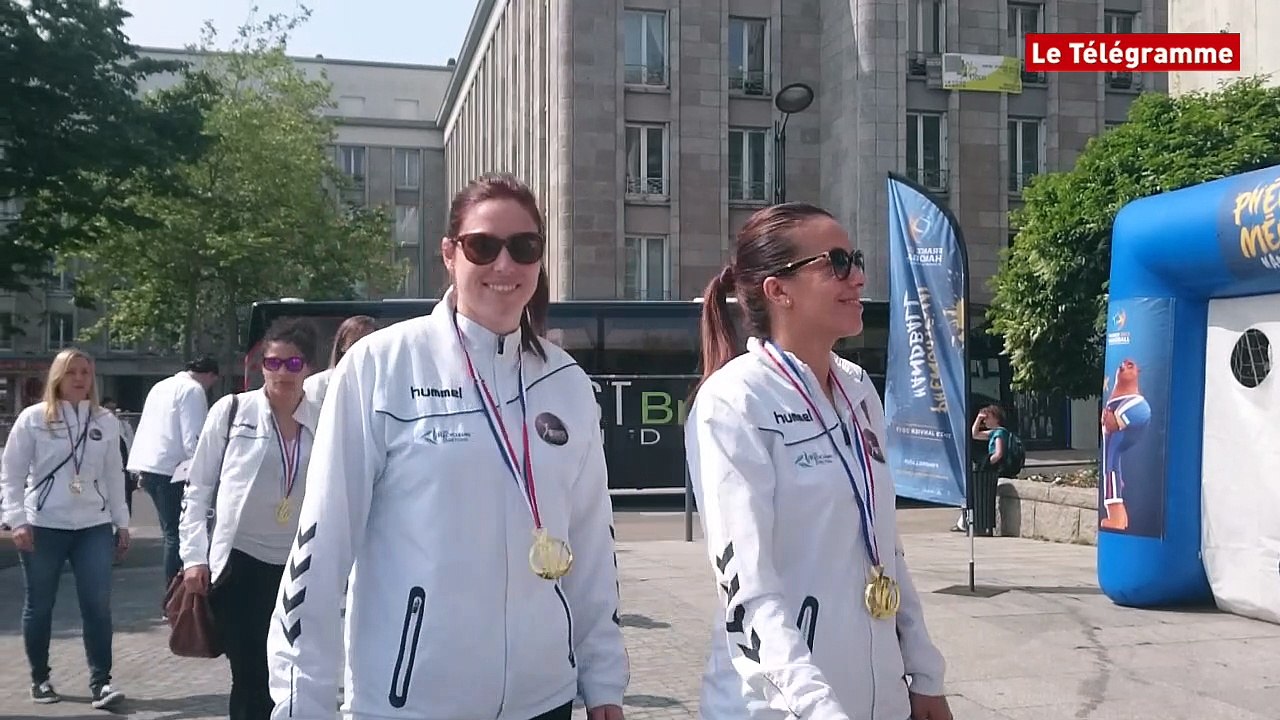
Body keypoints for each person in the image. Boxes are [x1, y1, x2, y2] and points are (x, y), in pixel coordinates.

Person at [267, 173, 628, 720]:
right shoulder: (381, 366)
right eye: (483, 246)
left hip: (546, 698)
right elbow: (322, 548)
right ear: (449, 254)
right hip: (411, 701)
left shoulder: (567, 382)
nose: (504, 265)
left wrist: (603, 680)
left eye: (524, 247)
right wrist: (301, 706)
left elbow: (592, 542)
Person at [685, 202, 952, 720]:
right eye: (836, 262)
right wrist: (815, 708)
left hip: (880, 700)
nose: (858, 277)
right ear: (778, 290)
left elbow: (885, 550)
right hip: (783, 708)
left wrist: (924, 674)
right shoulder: (734, 401)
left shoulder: (856, 388)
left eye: (855, 258)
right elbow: (747, 585)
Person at [179, 319, 320, 720]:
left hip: (298, 565)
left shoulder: (322, 419)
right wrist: (194, 557)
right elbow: (199, 486)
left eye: (293, 364)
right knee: (250, 673)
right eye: (273, 363)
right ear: (261, 366)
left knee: (288, 670)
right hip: (239, 563)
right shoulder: (232, 411)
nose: (282, 373)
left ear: (307, 367)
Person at [0, 348, 130, 709]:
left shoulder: (105, 421)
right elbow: (10, 474)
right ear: (57, 377)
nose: (79, 379)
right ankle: (40, 678)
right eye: (72, 372)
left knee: (97, 606)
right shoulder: (34, 419)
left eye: (86, 372)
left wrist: (122, 522)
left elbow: (113, 474)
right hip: (44, 525)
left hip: (93, 525)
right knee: (40, 606)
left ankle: (101, 683)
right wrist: (17, 520)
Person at [127, 354, 219, 593]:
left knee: (170, 532)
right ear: (210, 376)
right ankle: (176, 595)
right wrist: (204, 469)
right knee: (179, 534)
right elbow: (194, 437)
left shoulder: (161, 386)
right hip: (173, 468)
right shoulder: (193, 390)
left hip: (149, 465)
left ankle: (173, 594)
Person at [302, 314, 376, 404]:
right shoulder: (318, 384)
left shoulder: (385, 385)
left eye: (369, 345)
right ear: (342, 345)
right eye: (355, 343)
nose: (362, 351)